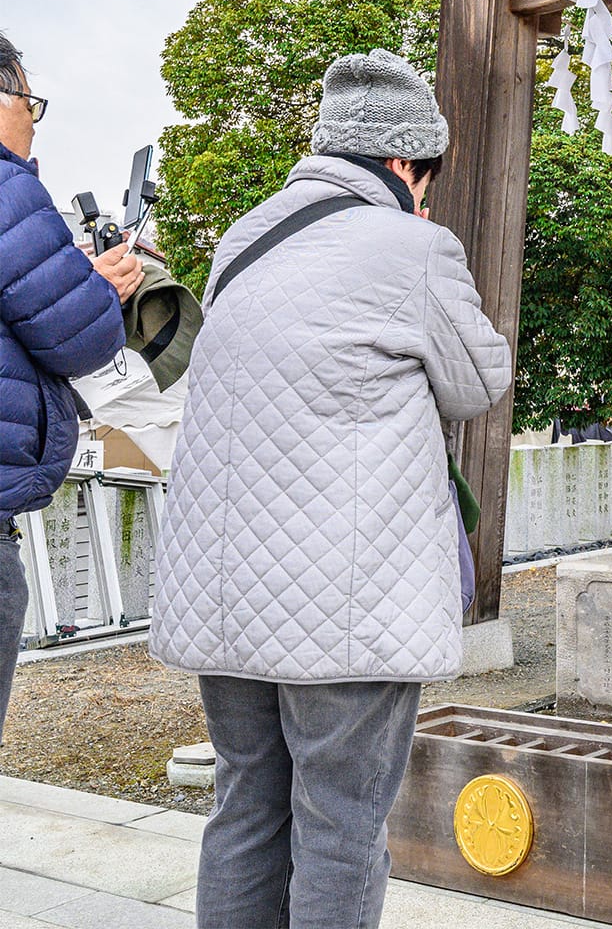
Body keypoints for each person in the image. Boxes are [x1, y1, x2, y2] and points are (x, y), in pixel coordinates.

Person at [150, 49, 513, 929]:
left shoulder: (245, 236)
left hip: (226, 600)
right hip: (345, 602)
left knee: (244, 810)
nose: (426, 195)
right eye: (425, 177)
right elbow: (480, 382)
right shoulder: (415, 245)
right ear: (402, 164)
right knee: (341, 824)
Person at [0, 32, 139, 746]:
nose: (31, 120)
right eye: (30, 102)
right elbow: (77, 338)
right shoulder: (7, 183)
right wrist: (104, 288)